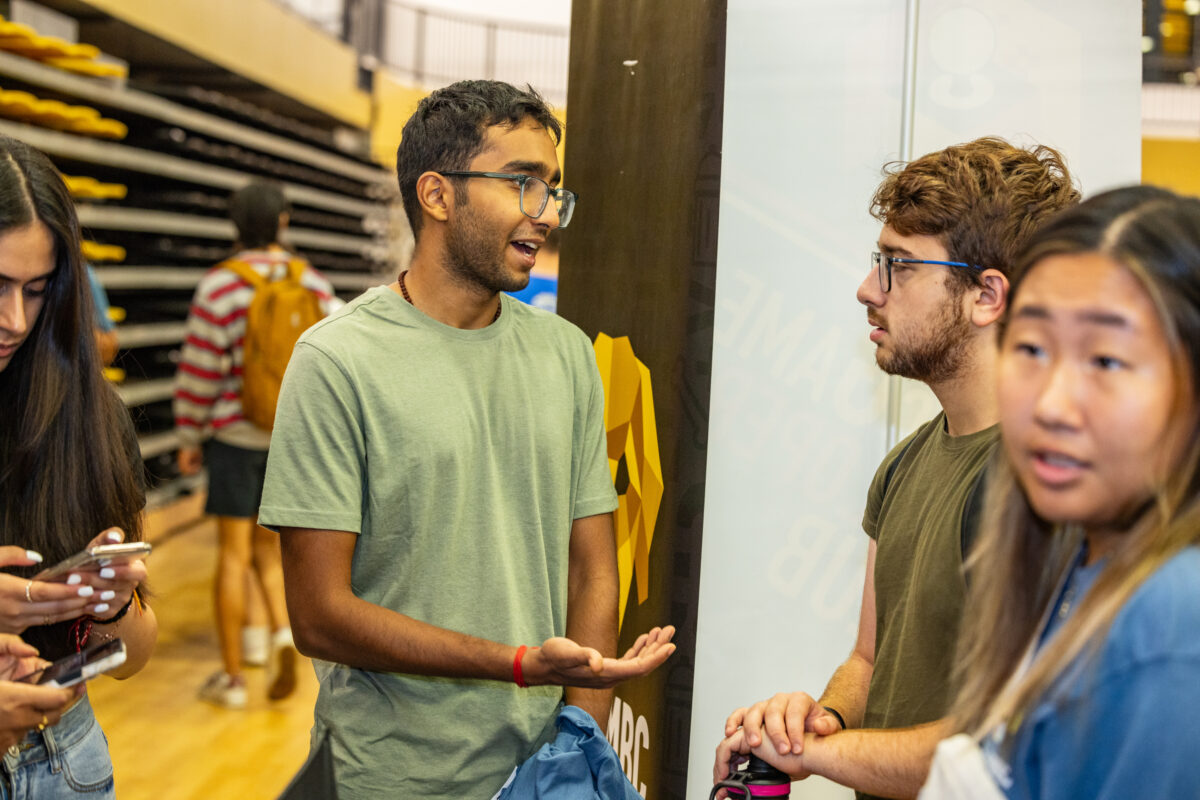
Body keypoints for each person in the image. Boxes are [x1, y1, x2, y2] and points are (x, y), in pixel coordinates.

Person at [258, 80, 676, 798]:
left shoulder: (568, 355)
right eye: (522, 183)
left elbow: (592, 569)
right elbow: (320, 617)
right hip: (386, 777)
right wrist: (516, 663)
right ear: (437, 195)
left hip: (541, 770)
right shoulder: (336, 362)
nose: (545, 213)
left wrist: (579, 742)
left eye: (553, 190)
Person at [715, 138, 1079, 799]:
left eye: (898, 267)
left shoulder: (1045, 486)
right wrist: (817, 723)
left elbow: (1006, 739)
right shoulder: (904, 465)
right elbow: (869, 661)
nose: (866, 289)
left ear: (987, 296)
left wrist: (822, 758)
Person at [918, 185, 1200, 798]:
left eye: (1106, 361)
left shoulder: (1172, 622)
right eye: (1032, 348)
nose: (1051, 404)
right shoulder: (1080, 559)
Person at [0, 133, 156, 798]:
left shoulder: (89, 420)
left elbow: (133, 657)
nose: (13, 320)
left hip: (65, 763)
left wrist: (116, 605)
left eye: (36, 292)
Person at [173, 180, 338, 708]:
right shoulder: (311, 282)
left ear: (235, 224)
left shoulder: (220, 286)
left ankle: (234, 680)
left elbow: (200, 369)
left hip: (234, 436)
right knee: (271, 551)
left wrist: (188, 434)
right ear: (284, 222)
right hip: (290, 437)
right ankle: (283, 637)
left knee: (232, 554)